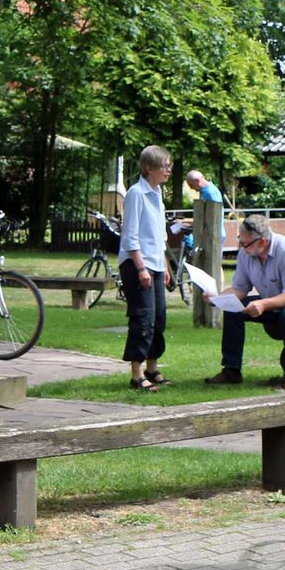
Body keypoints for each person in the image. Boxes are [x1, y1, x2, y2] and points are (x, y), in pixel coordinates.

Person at [204, 214, 285, 391]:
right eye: (241, 240)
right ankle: (231, 371)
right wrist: (217, 299)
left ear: (262, 242)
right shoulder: (246, 253)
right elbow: (240, 289)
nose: (241, 247)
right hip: (276, 299)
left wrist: (263, 304)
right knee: (233, 309)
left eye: (245, 243)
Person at [119, 145, 173, 392]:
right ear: (149, 168)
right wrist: (142, 268)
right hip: (137, 264)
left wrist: (163, 265)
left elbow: (159, 236)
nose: (168, 170)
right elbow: (131, 236)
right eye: (164, 166)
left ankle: (153, 368)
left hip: (155, 262)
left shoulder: (157, 192)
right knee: (143, 318)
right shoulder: (136, 194)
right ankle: (136, 374)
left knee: (159, 318)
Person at [184, 169, 226, 244]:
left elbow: (215, 216)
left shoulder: (211, 193)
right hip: (209, 233)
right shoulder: (204, 191)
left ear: (197, 181)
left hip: (214, 234)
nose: (191, 188)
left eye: (191, 185)